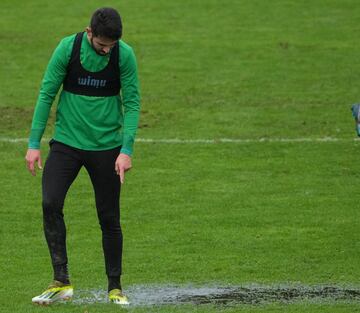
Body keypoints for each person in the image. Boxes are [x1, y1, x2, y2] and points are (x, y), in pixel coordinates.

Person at [25, 7, 140, 306]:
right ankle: (60, 281)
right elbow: (46, 93)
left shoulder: (123, 55)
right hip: (67, 143)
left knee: (109, 217)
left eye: (110, 47)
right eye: (102, 45)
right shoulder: (68, 48)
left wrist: (126, 150)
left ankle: (115, 287)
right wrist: (34, 143)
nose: (106, 51)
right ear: (89, 33)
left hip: (107, 148)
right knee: (50, 202)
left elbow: (133, 102)